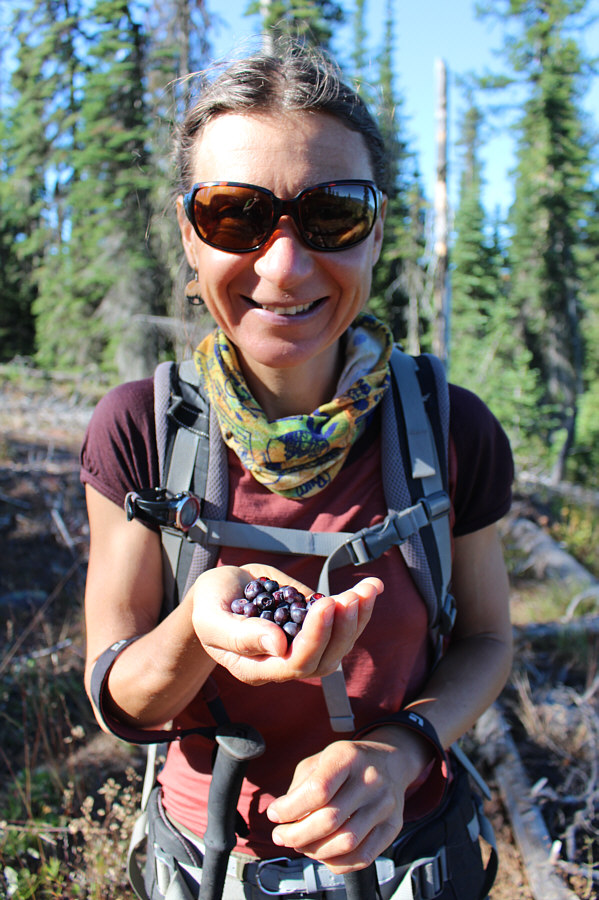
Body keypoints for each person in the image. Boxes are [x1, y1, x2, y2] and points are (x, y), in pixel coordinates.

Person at [80, 39, 514, 900]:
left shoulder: (449, 426)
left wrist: (401, 752)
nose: (283, 263)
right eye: (234, 215)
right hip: (208, 865)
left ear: (377, 231)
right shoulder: (140, 429)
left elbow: (490, 639)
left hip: (412, 861)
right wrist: (194, 632)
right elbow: (117, 697)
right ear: (188, 236)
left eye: (333, 216)